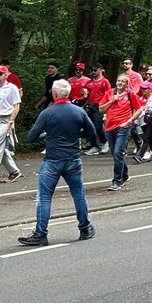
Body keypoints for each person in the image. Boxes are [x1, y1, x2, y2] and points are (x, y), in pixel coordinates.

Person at [19, 79, 97, 246]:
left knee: (45, 197)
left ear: (54, 94)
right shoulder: (78, 112)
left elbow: (31, 137)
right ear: (68, 93)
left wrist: (47, 135)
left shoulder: (47, 113)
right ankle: (85, 227)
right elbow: (92, 132)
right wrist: (77, 133)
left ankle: (41, 233)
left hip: (53, 159)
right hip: (73, 159)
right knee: (78, 194)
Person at [100, 74, 142, 191]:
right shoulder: (110, 93)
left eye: (123, 81)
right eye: (118, 80)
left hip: (122, 127)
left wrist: (130, 120)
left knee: (118, 152)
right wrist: (111, 101)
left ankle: (117, 181)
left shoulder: (130, 94)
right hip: (109, 127)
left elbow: (139, 109)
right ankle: (125, 174)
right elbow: (101, 109)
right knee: (115, 153)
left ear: (127, 84)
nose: (120, 83)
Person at [84, 66, 112, 154]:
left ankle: (104, 141)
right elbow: (85, 95)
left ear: (101, 70)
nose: (93, 72)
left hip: (100, 106)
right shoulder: (89, 82)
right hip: (90, 106)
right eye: (91, 70)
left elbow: (109, 94)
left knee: (98, 126)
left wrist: (105, 105)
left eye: (95, 70)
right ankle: (94, 146)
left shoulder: (105, 81)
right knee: (90, 126)